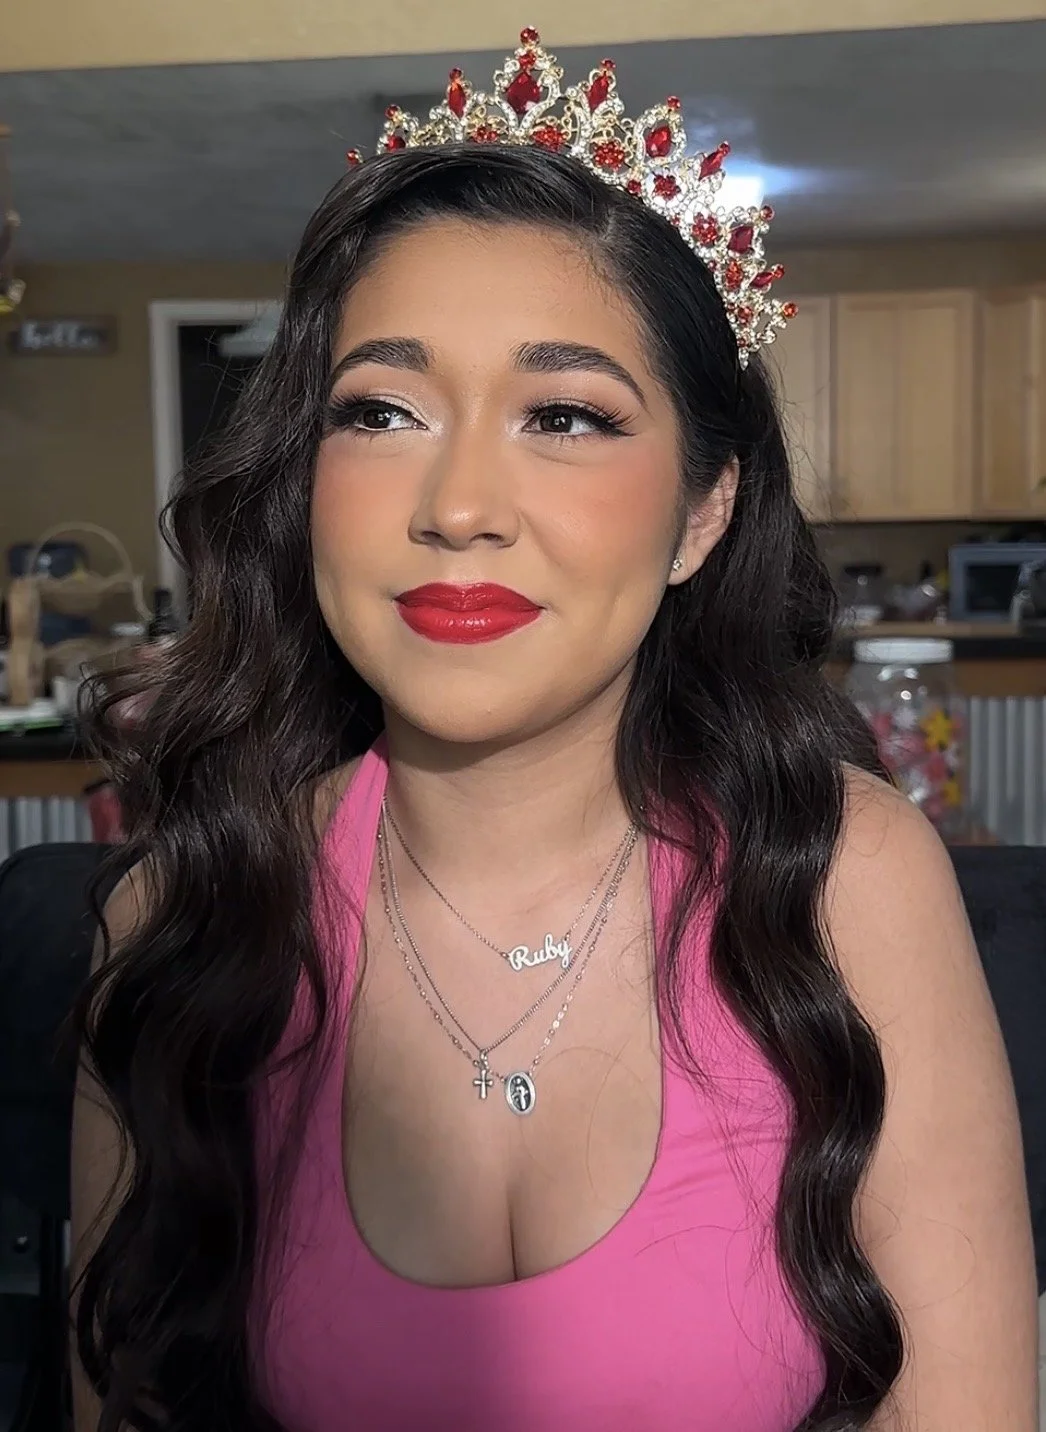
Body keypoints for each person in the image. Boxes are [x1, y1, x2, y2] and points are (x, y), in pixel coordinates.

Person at [70, 30, 1037, 1432]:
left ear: (702, 512)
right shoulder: (181, 920)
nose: (458, 505)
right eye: (381, 410)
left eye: (567, 417)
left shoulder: (848, 883)